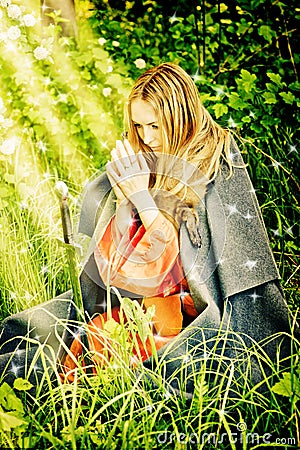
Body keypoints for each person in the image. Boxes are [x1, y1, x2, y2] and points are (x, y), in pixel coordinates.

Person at [0, 63, 296, 395]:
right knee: (44, 336)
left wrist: (141, 197)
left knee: (97, 357)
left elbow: (177, 264)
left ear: (180, 117)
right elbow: (124, 264)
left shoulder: (218, 159)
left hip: (188, 312)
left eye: (156, 126)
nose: (147, 137)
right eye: (139, 126)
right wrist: (127, 199)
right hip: (140, 300)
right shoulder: (146, 159)